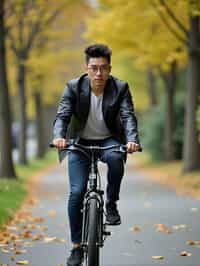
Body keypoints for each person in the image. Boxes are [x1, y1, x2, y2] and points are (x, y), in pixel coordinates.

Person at [53, 44, 141, 266]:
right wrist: (59, 137)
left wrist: (132, 140)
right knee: (76, 193)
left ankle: (111, 203)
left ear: (110, 69)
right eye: (94, 68)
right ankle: (75, 247)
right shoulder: (73, 87)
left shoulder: (120, 87)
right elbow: (62, 115)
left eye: (103, 68)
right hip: (79, 142)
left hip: (108, 139)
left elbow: (128, 115)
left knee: (115, 158)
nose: (99, 73)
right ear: (87, 68)